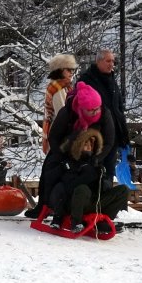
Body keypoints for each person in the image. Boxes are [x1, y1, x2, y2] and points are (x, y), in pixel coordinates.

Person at [37, 81, 124, 232]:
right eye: (91, 110)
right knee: (57, 178)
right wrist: (64, 158)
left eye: (97, 108)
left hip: (95, 150)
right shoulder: (67, 112)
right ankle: (54, 210)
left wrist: (97, 158)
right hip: (67, 149)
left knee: (100, 181)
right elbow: (54, 137)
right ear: (82, 108)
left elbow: (109, 141)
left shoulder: (104, 113)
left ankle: (101, 217)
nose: (95, 112)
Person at [77, 49, 129, 184]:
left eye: (113, 61)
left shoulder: (112, 81)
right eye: (108, 61)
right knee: (93, 171)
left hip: (113, 135)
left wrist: (123, 133)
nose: (111, 64)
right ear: (98, 61)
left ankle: (107, 202)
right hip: (95, 136)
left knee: (109, 173)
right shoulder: (87, 80)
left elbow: (118, 109)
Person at [43, 53, 77, 154]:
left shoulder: (64, 86)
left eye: (72, 70)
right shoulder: (58, 88)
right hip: (60, 133)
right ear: (60, 70)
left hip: (58, 131)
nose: (71, 72)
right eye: (68, 69)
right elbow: (62, 114)